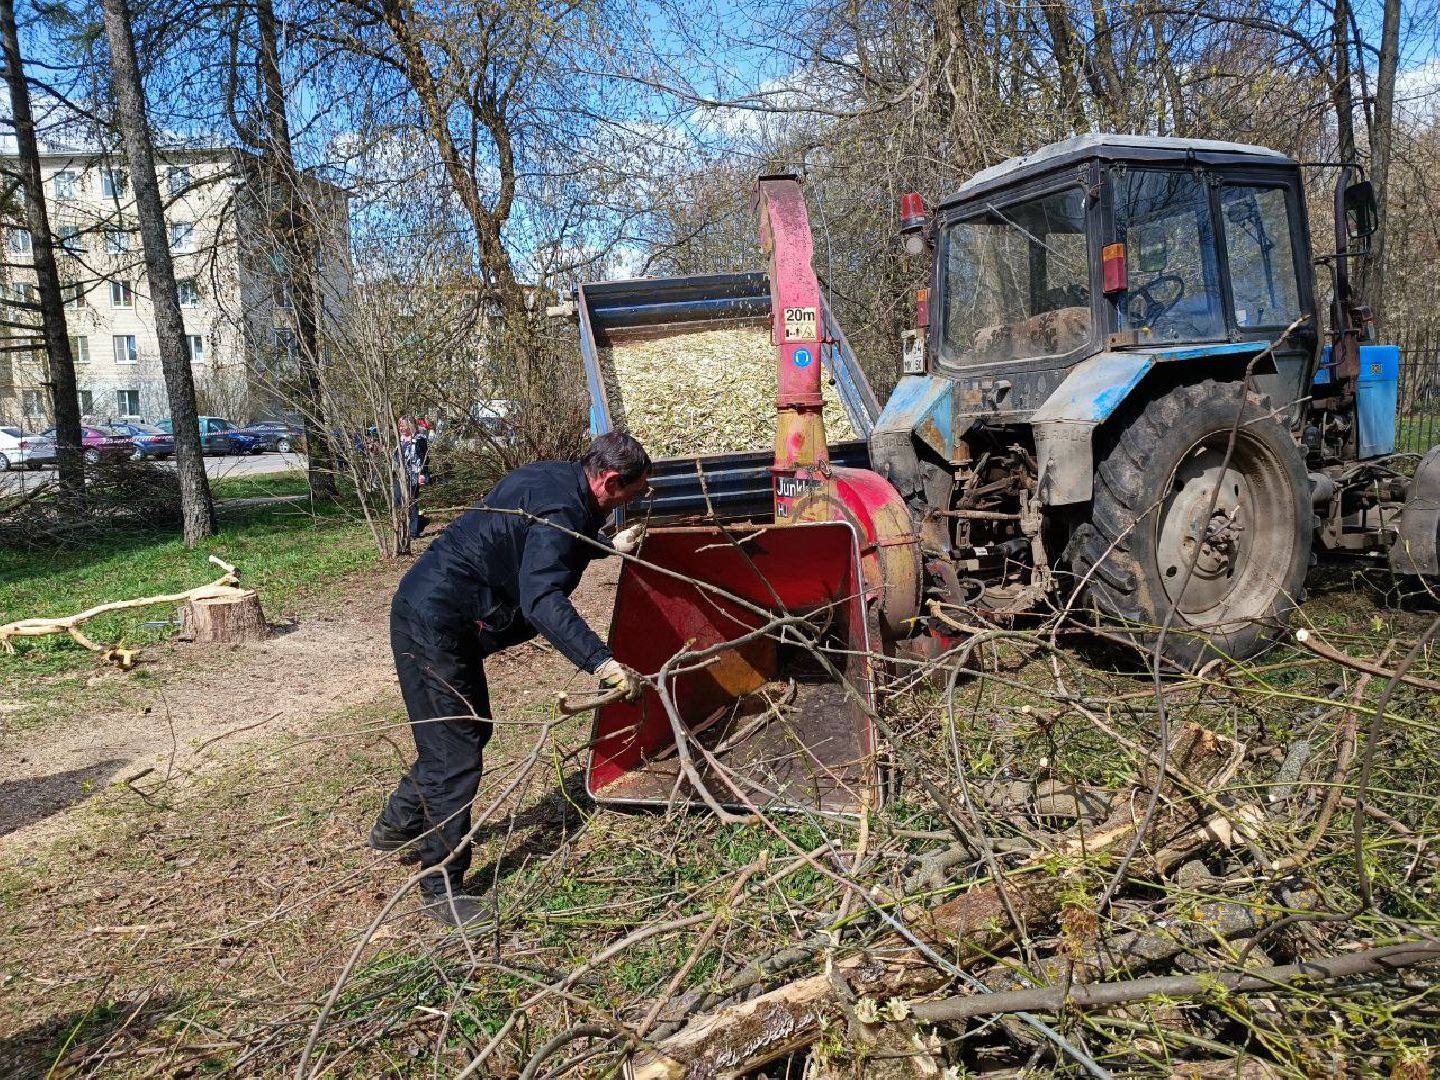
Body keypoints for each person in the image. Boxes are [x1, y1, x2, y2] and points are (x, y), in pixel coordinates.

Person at [369, 431, 652, 927]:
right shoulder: (563, 509)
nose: (634, 500)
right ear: (608, 480)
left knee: (467, 732)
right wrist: (601, 662)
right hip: (435, 623)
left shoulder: (556, 478)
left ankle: (396, 824)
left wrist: (604, 545)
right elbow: (541, 598)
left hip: (438, 611)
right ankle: (441, 888)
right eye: (632, 493)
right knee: (456, 753)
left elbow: (539, 544)